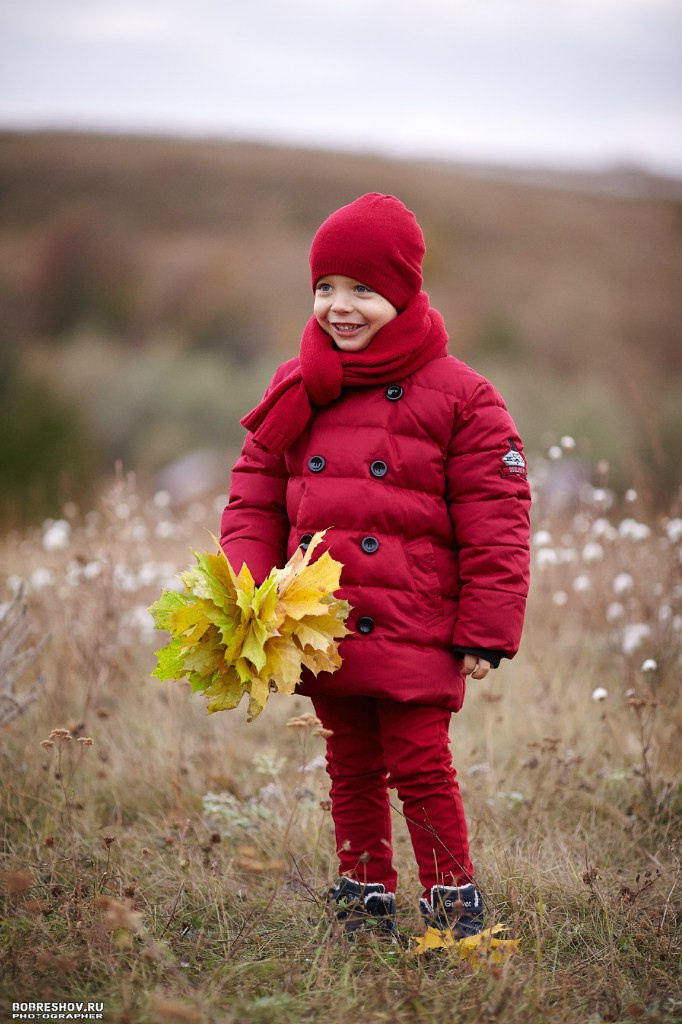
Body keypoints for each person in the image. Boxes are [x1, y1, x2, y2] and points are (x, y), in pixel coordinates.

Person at [220, 193, 531, 940]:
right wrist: (250, 584)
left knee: (422, 765)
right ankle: (365, 897)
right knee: (349, 763)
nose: (341, 307)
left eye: (363, 290)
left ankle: (454, 907)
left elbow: (499, 522)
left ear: (404, 293)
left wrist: (484, 631)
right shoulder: (298, 384)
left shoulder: (462, 397)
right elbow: (254, 494)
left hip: (417, 619)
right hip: (322, 620)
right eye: (326, 287)